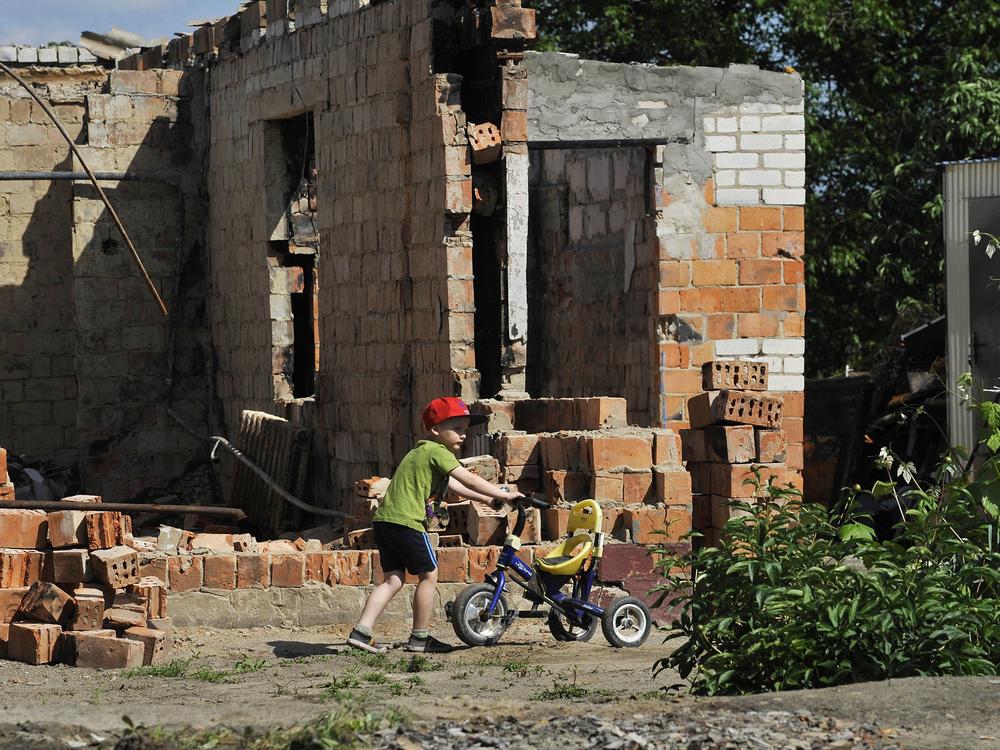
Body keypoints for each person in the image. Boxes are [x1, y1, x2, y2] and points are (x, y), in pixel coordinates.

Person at [347, 396, 524, 654]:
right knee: (429, 575)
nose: (463, 435)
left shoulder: (420, 452)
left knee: (393, 580)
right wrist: (503, 494)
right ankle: (420, 638)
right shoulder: (437, 452)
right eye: (457, 429)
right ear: (435, 430)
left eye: (465, 429)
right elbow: (466, 478)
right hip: (407, 522)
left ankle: (361, 632)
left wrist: (487, 498)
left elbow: (455, 486)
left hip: (385, 523)